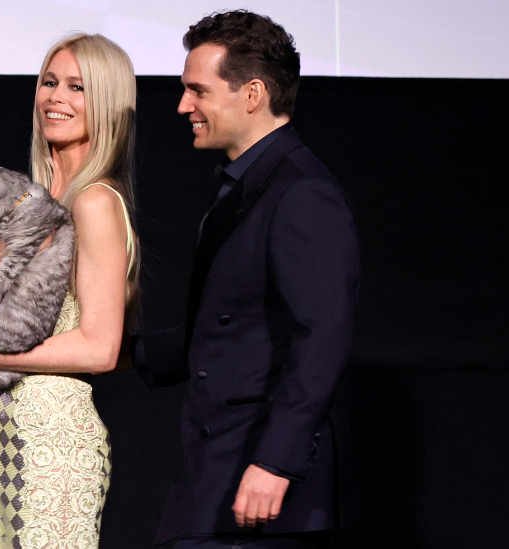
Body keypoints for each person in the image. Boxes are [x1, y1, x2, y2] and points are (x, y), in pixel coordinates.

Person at [131, 10, 359, 549]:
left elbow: (322, 335)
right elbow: (232, 327)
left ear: (252, 93)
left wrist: (276, 462)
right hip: (215, 475)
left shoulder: (301, 193)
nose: (184, 106)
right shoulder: (249, 186)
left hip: (261, 487)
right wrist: (112, 350)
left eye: (197, 91)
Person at [0, 33, 140, 549]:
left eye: (78, 87)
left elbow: (101, 347)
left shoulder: (95, 202)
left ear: (108, 104)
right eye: (50, 82)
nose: (56, 97)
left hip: (54, 446)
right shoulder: (34, 200)